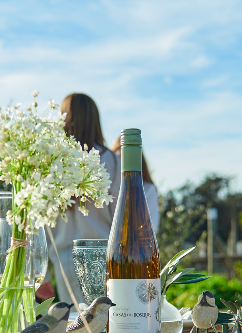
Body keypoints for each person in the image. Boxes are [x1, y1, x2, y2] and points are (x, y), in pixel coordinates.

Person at [48, 93, 120, 306]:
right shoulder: (113, 161)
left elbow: (42, 220)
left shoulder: (52, 161)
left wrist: (40, 274)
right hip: (104, 253)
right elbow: (120, 214)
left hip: (64, 257)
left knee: (77, 326)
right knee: (107, 323)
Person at [110, 137, 160, 235]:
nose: (123, 163)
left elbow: (151, 227)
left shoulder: (148, 189)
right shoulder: (107, 189)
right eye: (119, 158)